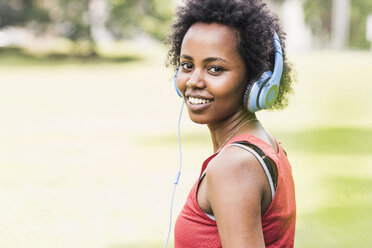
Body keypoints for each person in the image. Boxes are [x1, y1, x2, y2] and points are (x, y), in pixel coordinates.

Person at [166, 0, 296, 247]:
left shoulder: (233, 166)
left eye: (215, 69)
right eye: (187, 65)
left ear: (256, 82)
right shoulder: (266, 146)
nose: (194, 80)